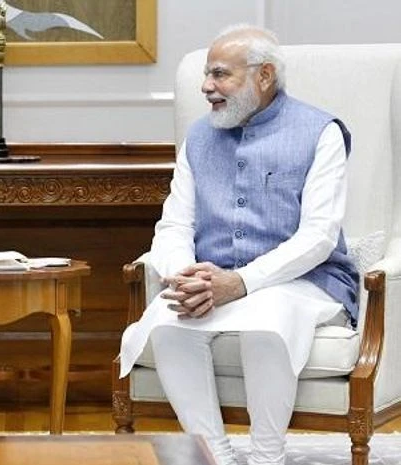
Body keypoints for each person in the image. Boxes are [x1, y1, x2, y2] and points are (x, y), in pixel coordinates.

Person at [118, 24, 358, 465]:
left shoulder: (320, 131)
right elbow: (174, 224)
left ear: (264, 76)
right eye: (206, 74)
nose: (206, 86)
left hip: (305, 281)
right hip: (212, 279)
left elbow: (319, 236)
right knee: (168, 324)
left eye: (220, 74)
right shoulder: (199, 137)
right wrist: (183, 276)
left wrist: (241, 282)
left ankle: (268, 457)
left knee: (265, 322)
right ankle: (215, 456)